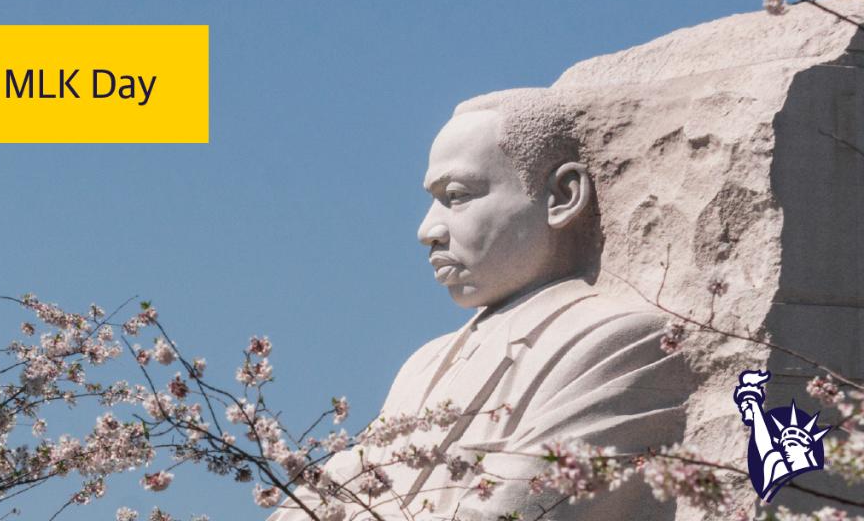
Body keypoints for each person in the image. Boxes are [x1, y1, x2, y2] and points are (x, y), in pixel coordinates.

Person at [268, 88, 695, 520]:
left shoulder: (621, 344)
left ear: (562, 196)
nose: (428, 229)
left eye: (457, 196)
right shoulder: (421, 369)